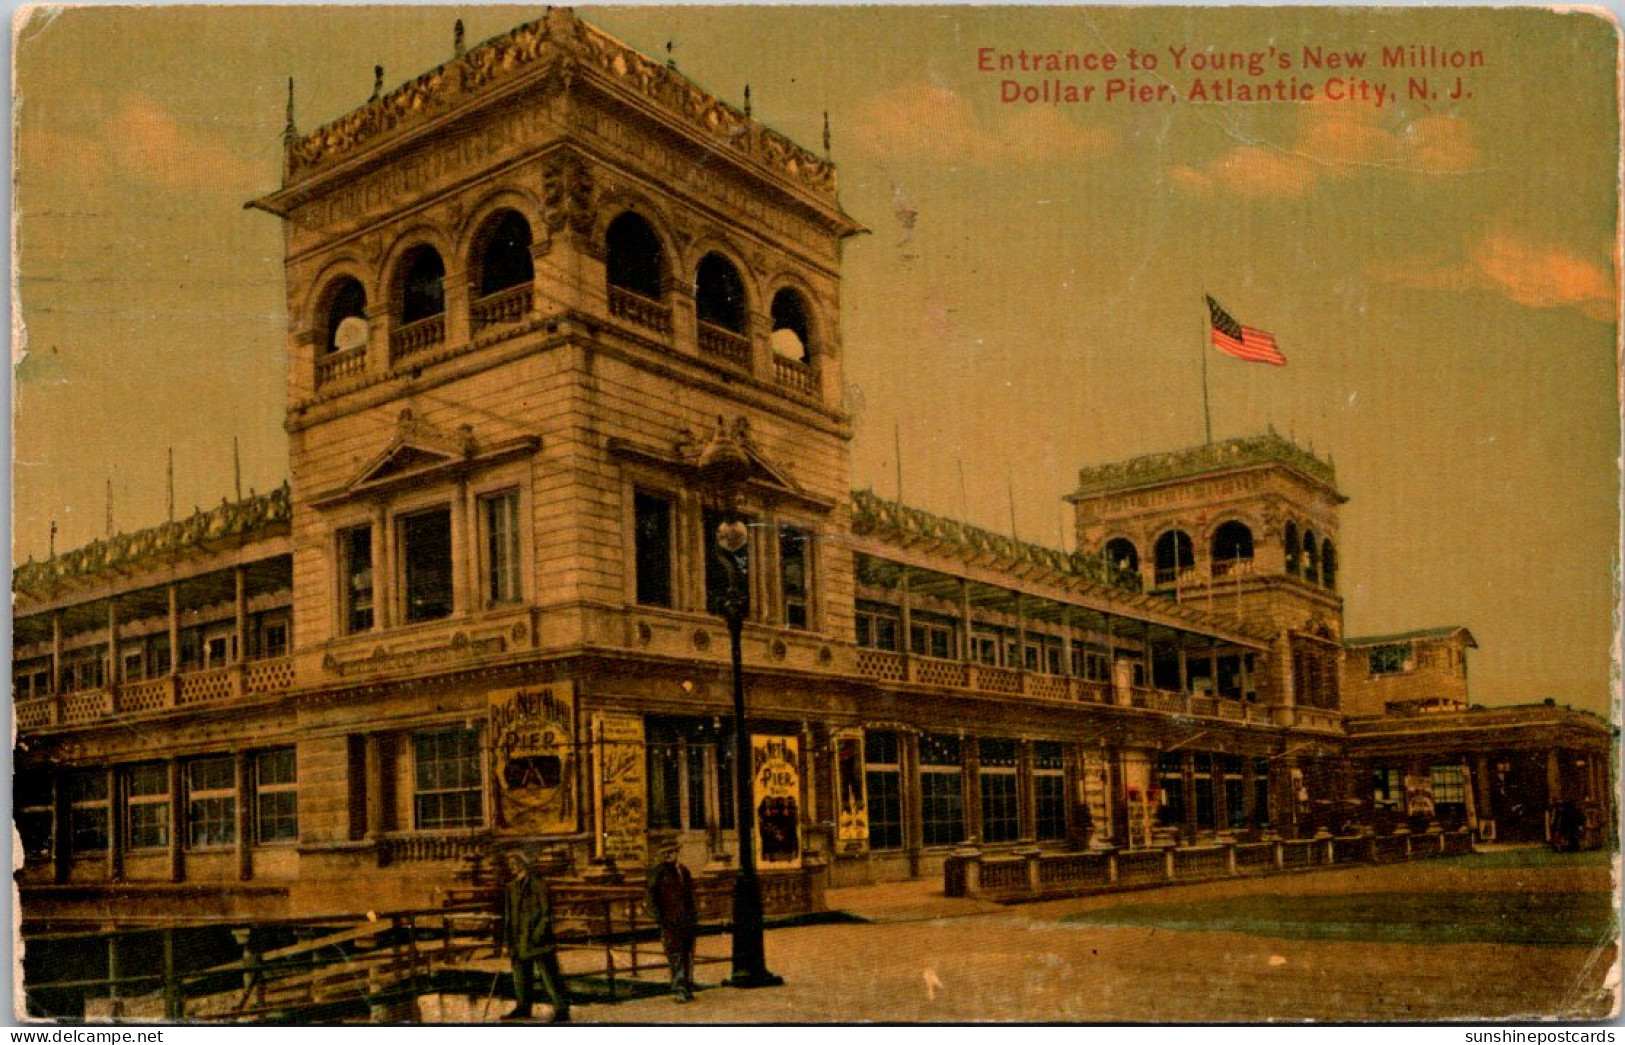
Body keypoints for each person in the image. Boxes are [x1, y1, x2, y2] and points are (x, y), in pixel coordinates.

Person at [501, 852, 571, 1022]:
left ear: (524, 863)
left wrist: (538, 934)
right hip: (518, 940)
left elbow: (546, 915)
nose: (512, 866)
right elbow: (508, 918)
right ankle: (523, 1007)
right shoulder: (510, 887)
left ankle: (562, 1010)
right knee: (520, 976)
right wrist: (506, 942)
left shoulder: (539, 885)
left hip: (539, 940)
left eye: (515, 862)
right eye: (510, 863)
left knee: (550, 976)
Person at [645, 845, 698, 1002]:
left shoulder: (684, 871)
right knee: (675, 954)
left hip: (686, 919)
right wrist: (659, 917)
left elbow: (690, 894)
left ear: (677, 853)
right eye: (665, 852)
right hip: (670, 920)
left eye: (671, 852)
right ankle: (680, 988)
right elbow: (650, 897)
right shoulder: (658, 873)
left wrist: (693, 916)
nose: (668, 855)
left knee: (687, 953)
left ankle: (688, 986)